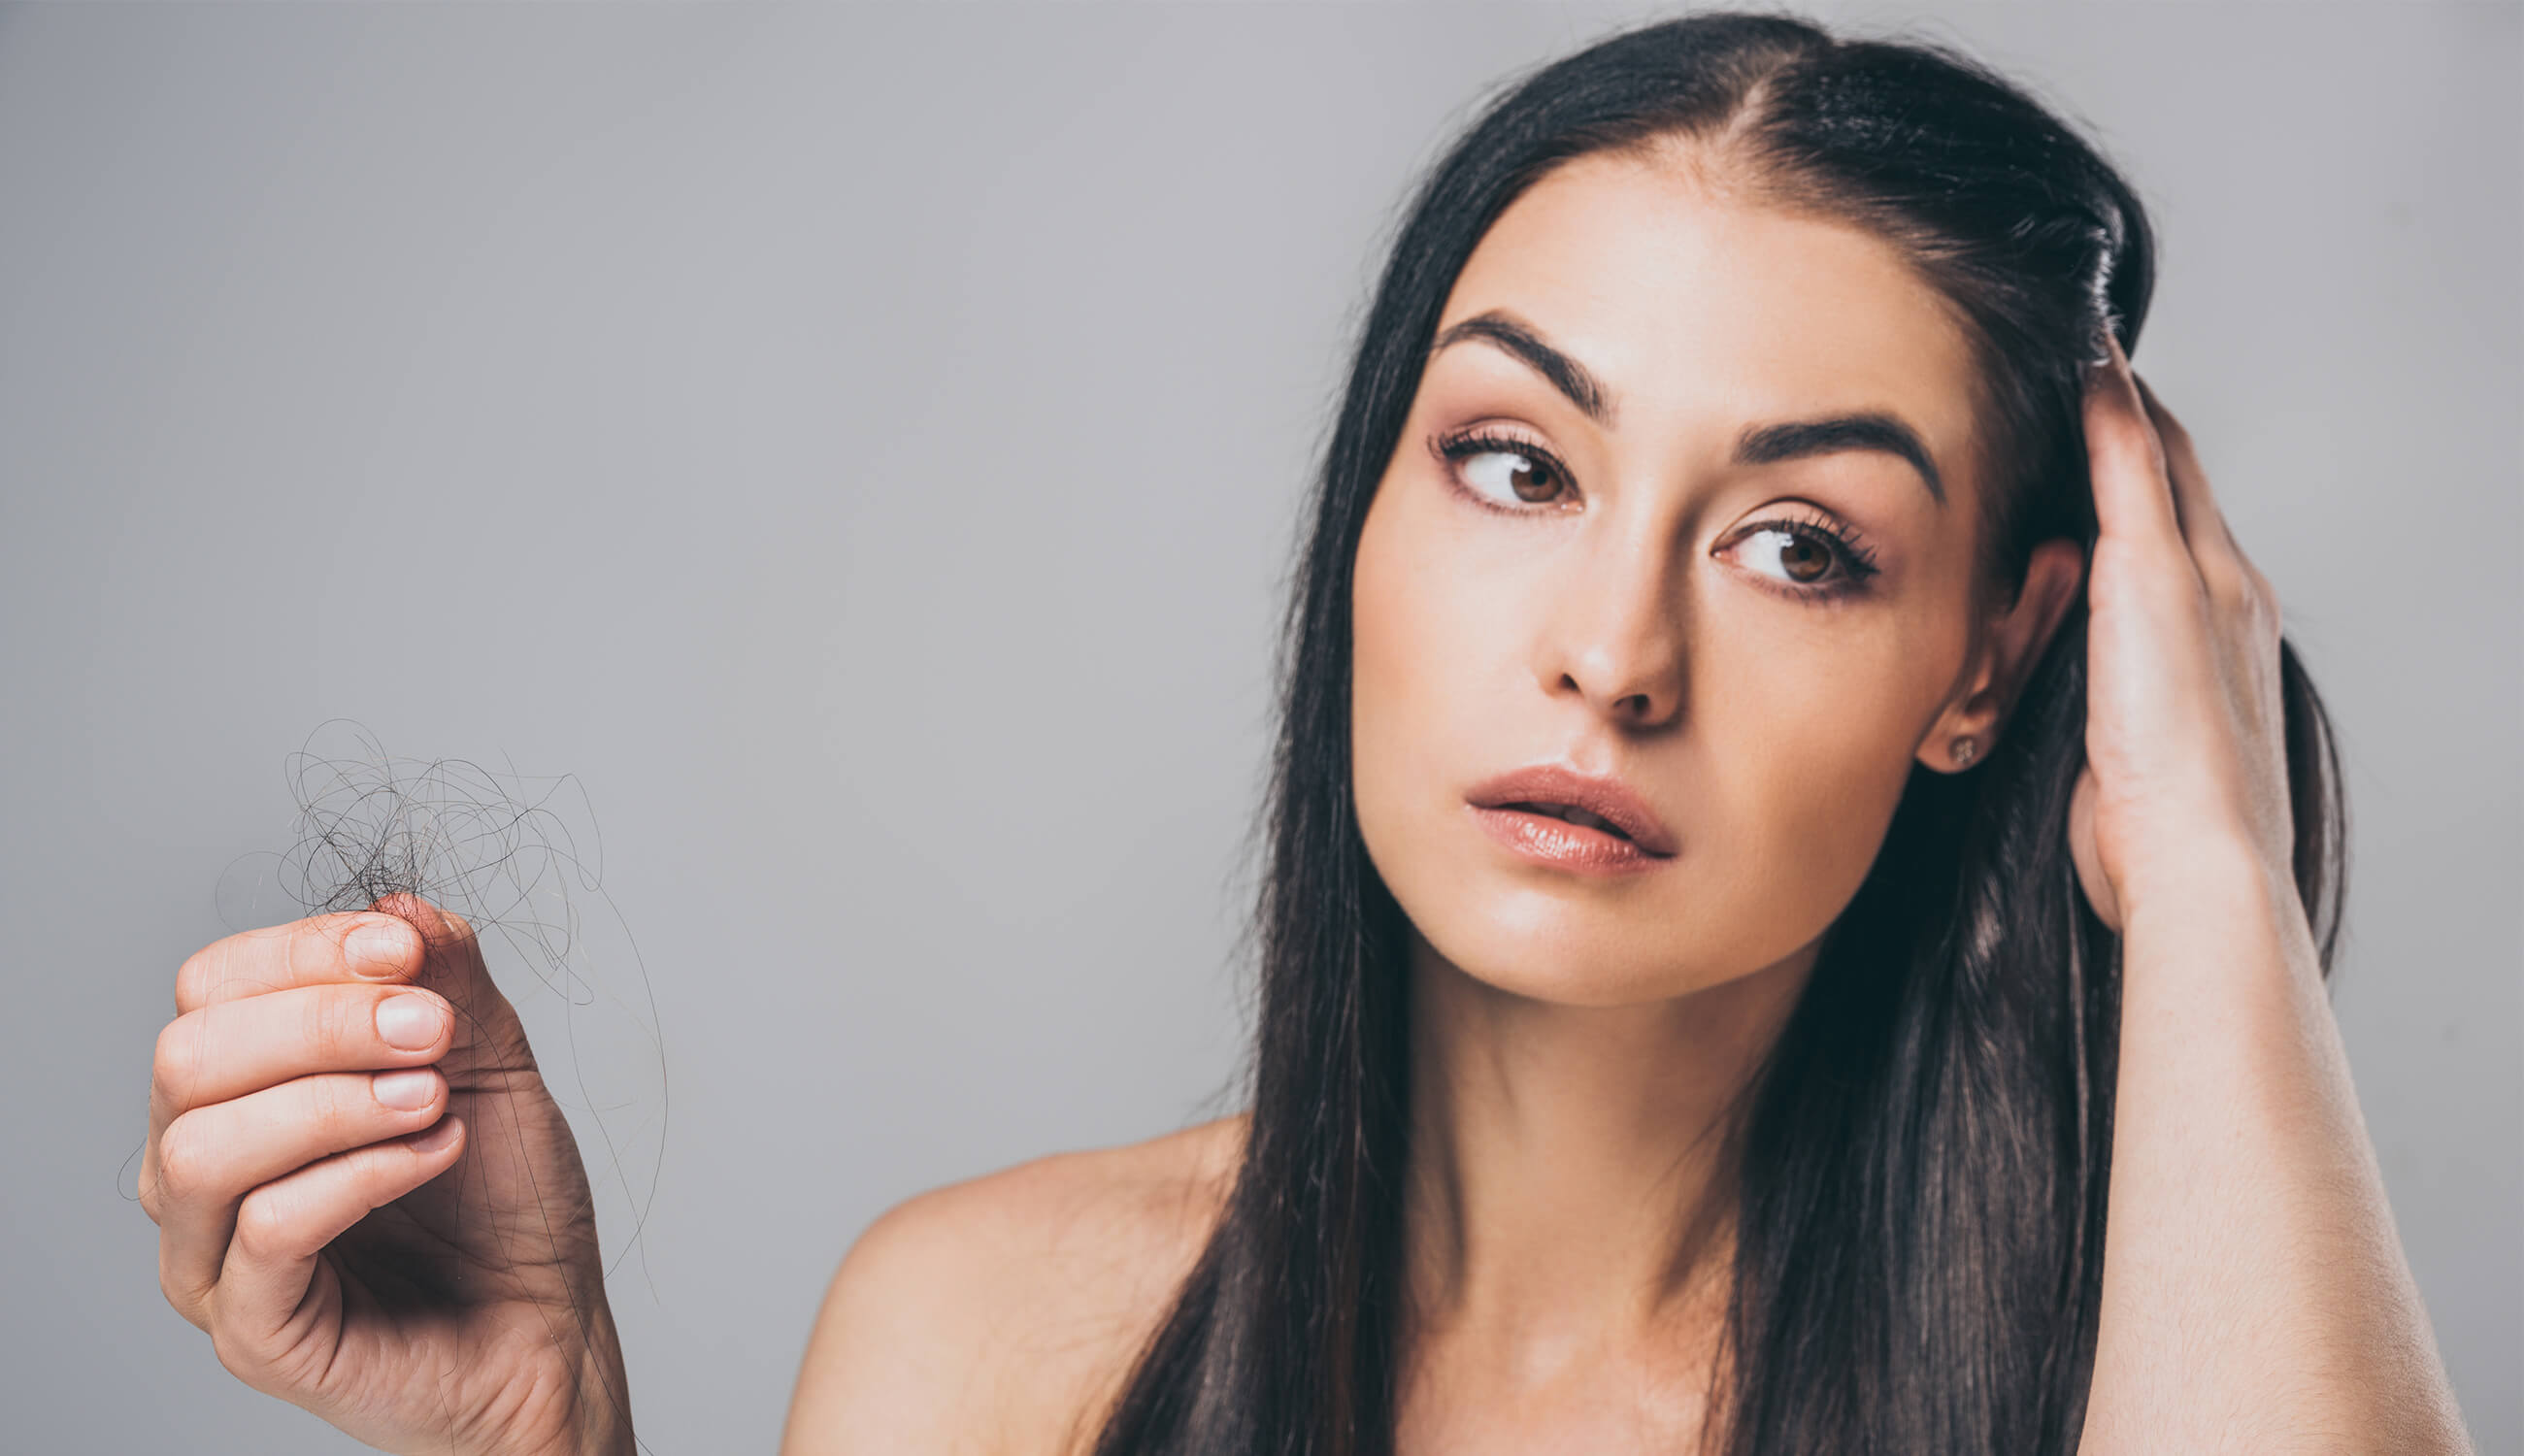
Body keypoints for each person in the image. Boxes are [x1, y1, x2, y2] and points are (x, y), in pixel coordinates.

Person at [138, 11, 2475, 1454]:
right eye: (1515, 465)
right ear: (1364, 507)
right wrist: (537, 1443)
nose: (1607, 653)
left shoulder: (2163, 1369)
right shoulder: (979, 1344)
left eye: (1797, 543)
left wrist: (2207, 878)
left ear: (1993, 659)